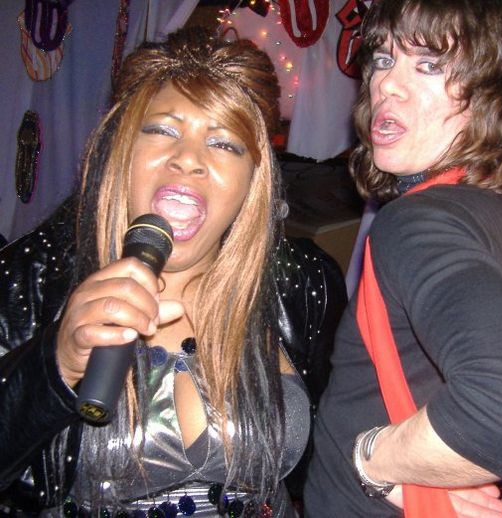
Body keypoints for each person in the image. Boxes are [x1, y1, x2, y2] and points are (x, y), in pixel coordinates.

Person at [0, 27, 346, 516]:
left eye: (224, 143)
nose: (188, 159)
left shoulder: (303, 284)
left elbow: (335, 456)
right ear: (120, 148)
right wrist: (54, 364)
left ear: (254, 177)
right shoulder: (33, 276)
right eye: (163, 130)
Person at [304, 0, 502, 516]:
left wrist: (375, 461)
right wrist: (453, 459)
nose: (386, 85)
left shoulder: (417, 221)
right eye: (383, 59)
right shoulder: (499, 219)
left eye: (429, 65)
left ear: (490, 99)